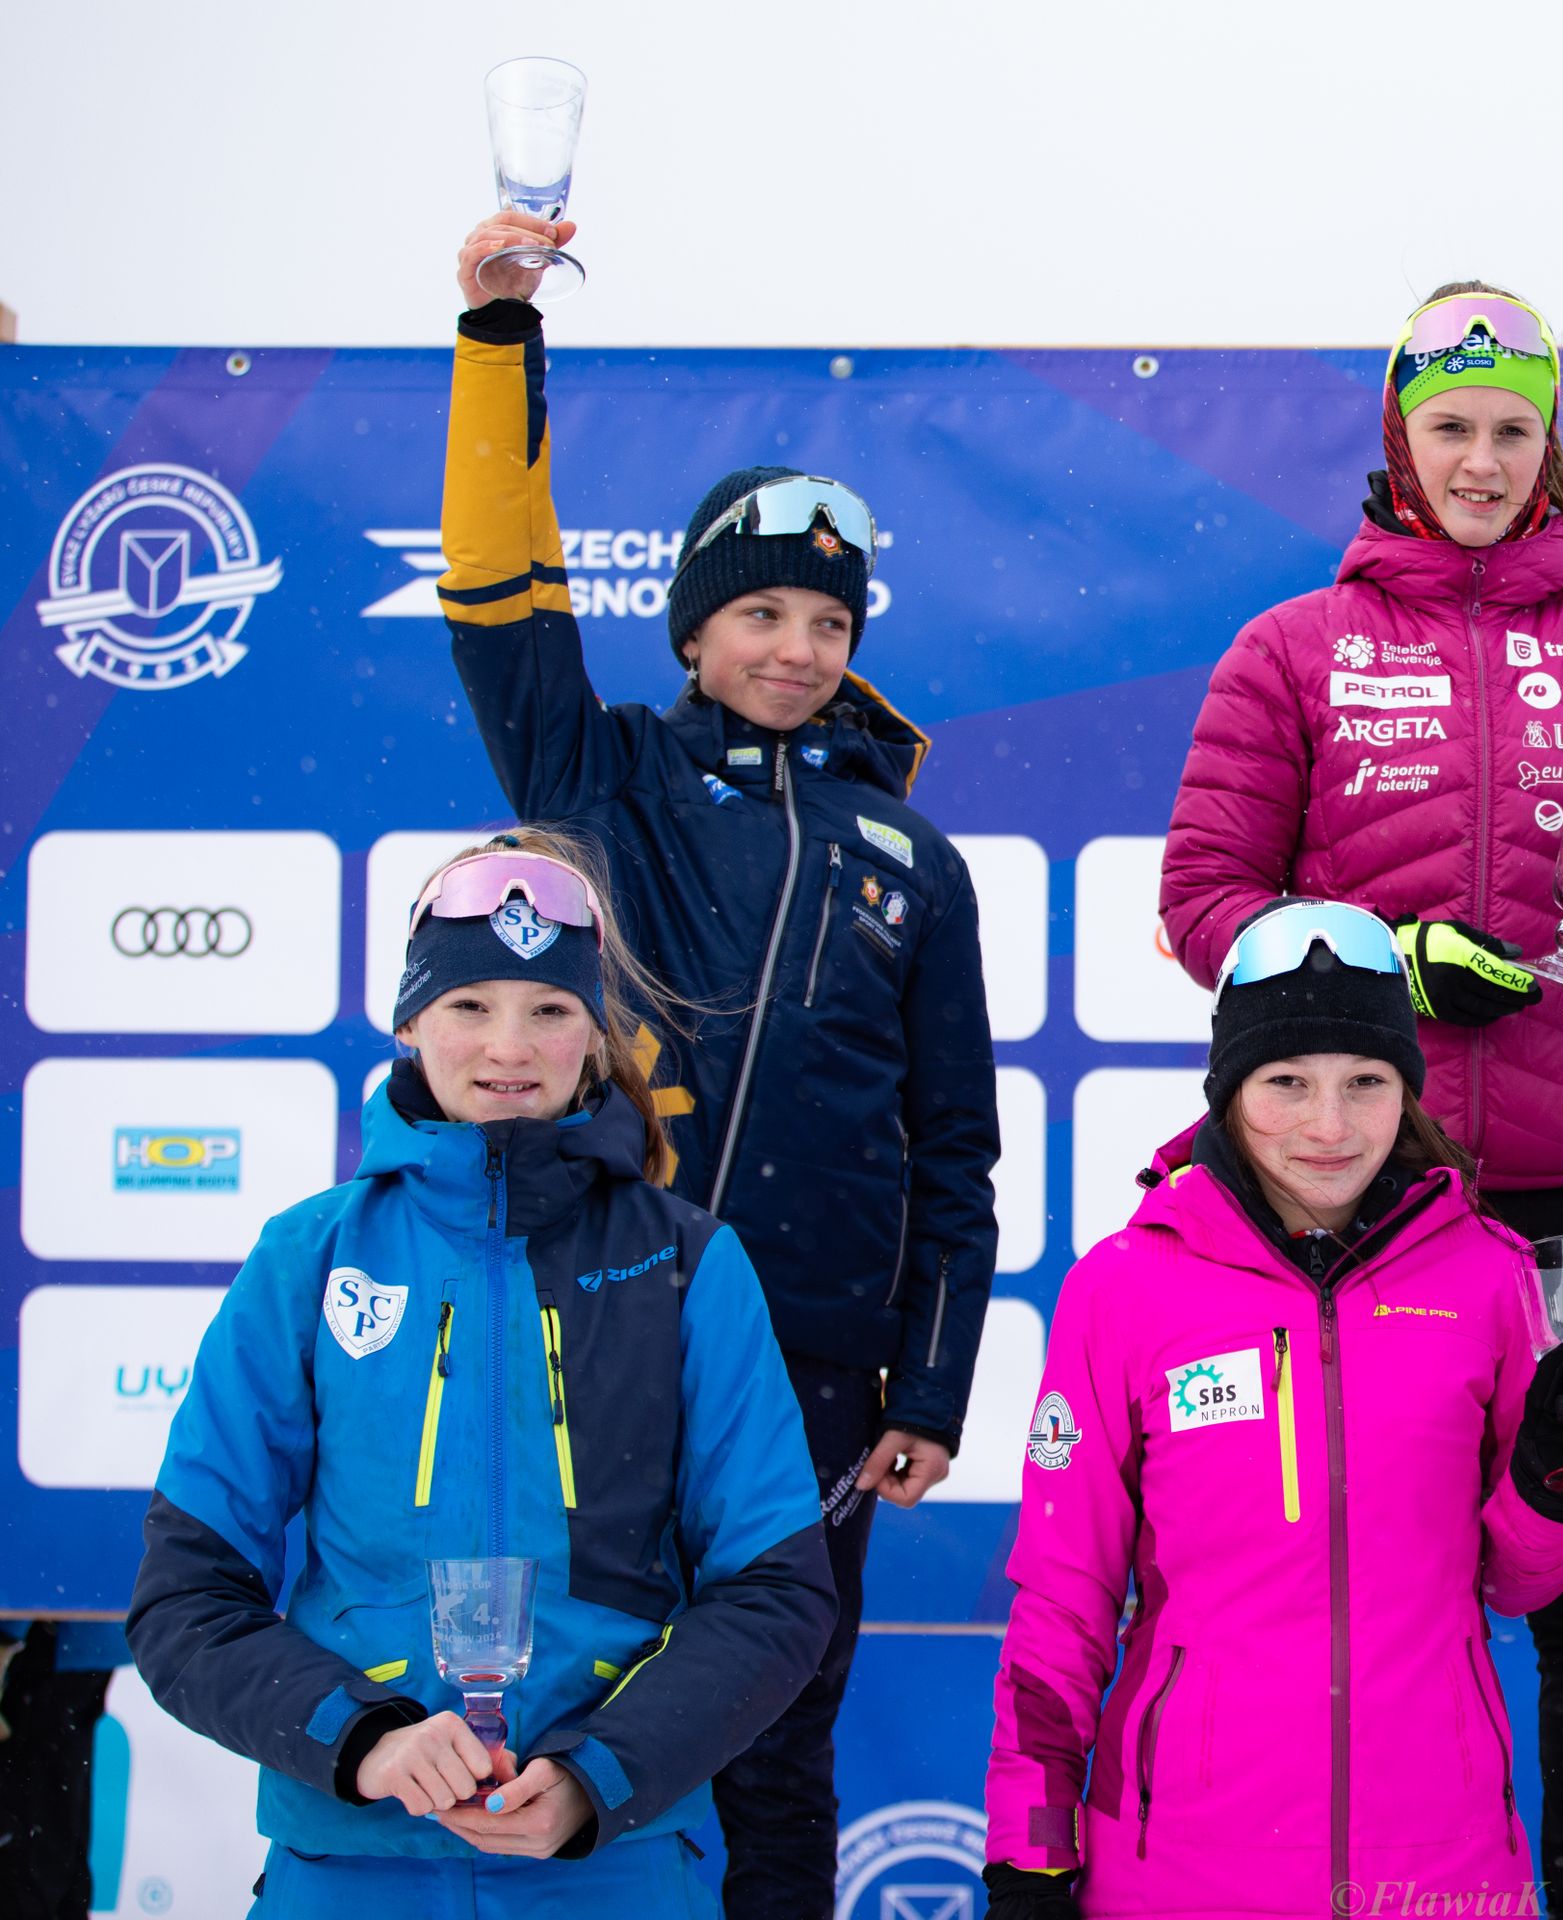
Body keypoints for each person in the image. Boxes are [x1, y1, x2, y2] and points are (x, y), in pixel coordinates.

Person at [442, 211, 1004, 1914]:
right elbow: (495, 595)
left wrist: (930, 1387)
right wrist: (494, 342)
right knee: (569, 1707)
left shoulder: (911, 859)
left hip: (822, 1370)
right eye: (756, 610)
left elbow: (955, 1150)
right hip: (602, 1320)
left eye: (824, 620)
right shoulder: (592, 771)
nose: (792, 648)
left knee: (778, 1731)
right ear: (691, 630)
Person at [1159, 284, 1563, 1920]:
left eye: (1511, 429)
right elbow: (1206, 907)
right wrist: (1389, 960)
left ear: (1549, 446)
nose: (1480, 460)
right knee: (1341, 1582)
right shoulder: (1296, 651)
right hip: (1357, 1198)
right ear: (1399, 439)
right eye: (1451, 426)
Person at [125, 834, 835, 1918]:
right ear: (411, 1023)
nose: (510, 1045)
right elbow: (187, 1597)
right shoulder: (311, 1257)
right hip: (349, 1866)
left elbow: (777, 1591)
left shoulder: (688, 1265)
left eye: (550, 1010)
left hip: (615, 1864)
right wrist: (361, 1741)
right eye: (469, 1006)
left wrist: (603, 1775)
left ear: (597, 1036)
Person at [979, 900, 1563, 1920]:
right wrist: (1032, 1849)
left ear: (1407, 1090)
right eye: (1286, 1083)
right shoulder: (1124, 1287)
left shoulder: (1494, 1277)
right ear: (1229, 1089)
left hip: (1441, 1865)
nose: (1330, 1128)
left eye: (1367, 1083)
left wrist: (1552, 1490)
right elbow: (1063, 1600)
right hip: (1181, 1867)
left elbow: (1519, 1584)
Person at [0, 1620, 128, 1920]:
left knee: (28, 1850)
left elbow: (26, 1574)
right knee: (54, 1827)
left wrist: (6, 1635)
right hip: (71, 1636)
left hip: (40, 1640)